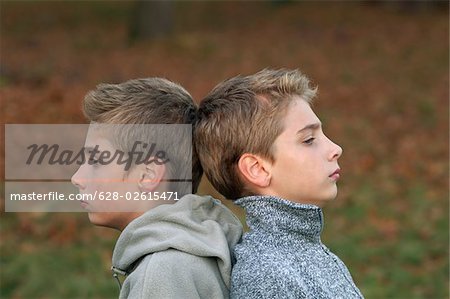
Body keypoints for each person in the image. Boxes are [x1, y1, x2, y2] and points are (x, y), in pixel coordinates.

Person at [194, 69, 364, 298]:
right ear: (258, 169)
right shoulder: (267, 277)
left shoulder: (306, 251)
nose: (336, 149)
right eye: (309, 140)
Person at [71, 78, 243, 299]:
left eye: (95, 162)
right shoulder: (202, 243)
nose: (78, 178)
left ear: (148, 175)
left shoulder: (161, 274)